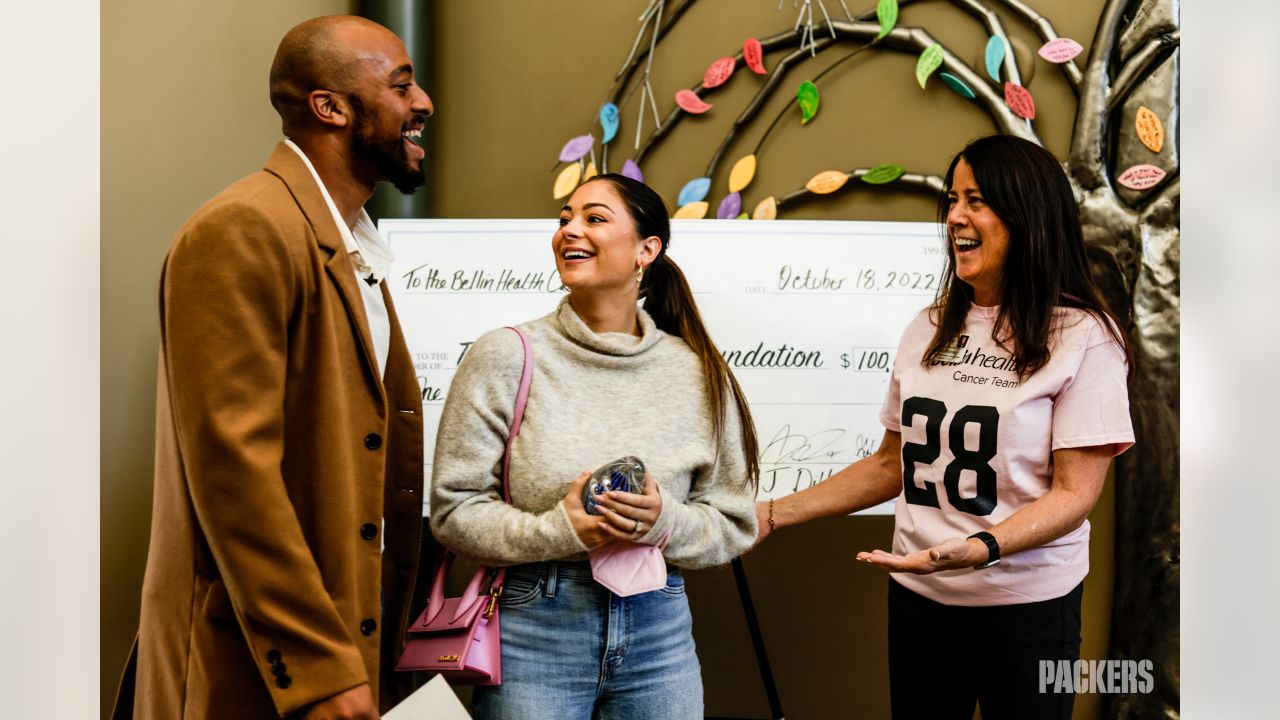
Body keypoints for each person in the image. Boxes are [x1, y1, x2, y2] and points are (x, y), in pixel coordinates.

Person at [113, 16, 433, 720]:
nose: (424, 104)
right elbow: (235, 471)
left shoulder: (351, 244)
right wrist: (318, 667)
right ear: (330, 107)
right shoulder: (243, 229)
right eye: (402, 84)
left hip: (346, 652)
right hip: (260, 670)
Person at [754, 135, 1134, 720]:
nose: (955, 215)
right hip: (919, 597)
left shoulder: (1085, 337)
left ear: (1028, 214)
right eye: (953, 198)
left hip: (1028, 606)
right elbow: (889, 465)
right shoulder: (928, 326)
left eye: (977, 199)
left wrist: (980, 548)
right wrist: (773, 513)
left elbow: (1074, 495)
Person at [430, 173, 760, 719]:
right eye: (564, 218)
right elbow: (453, 510)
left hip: (661, 633)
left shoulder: (697, 371)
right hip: (533, 628)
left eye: (594, 218)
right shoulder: (505, 356)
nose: (570, 230)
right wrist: (558, 530)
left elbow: (733, 522)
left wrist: (663, 523)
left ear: (647, 250)